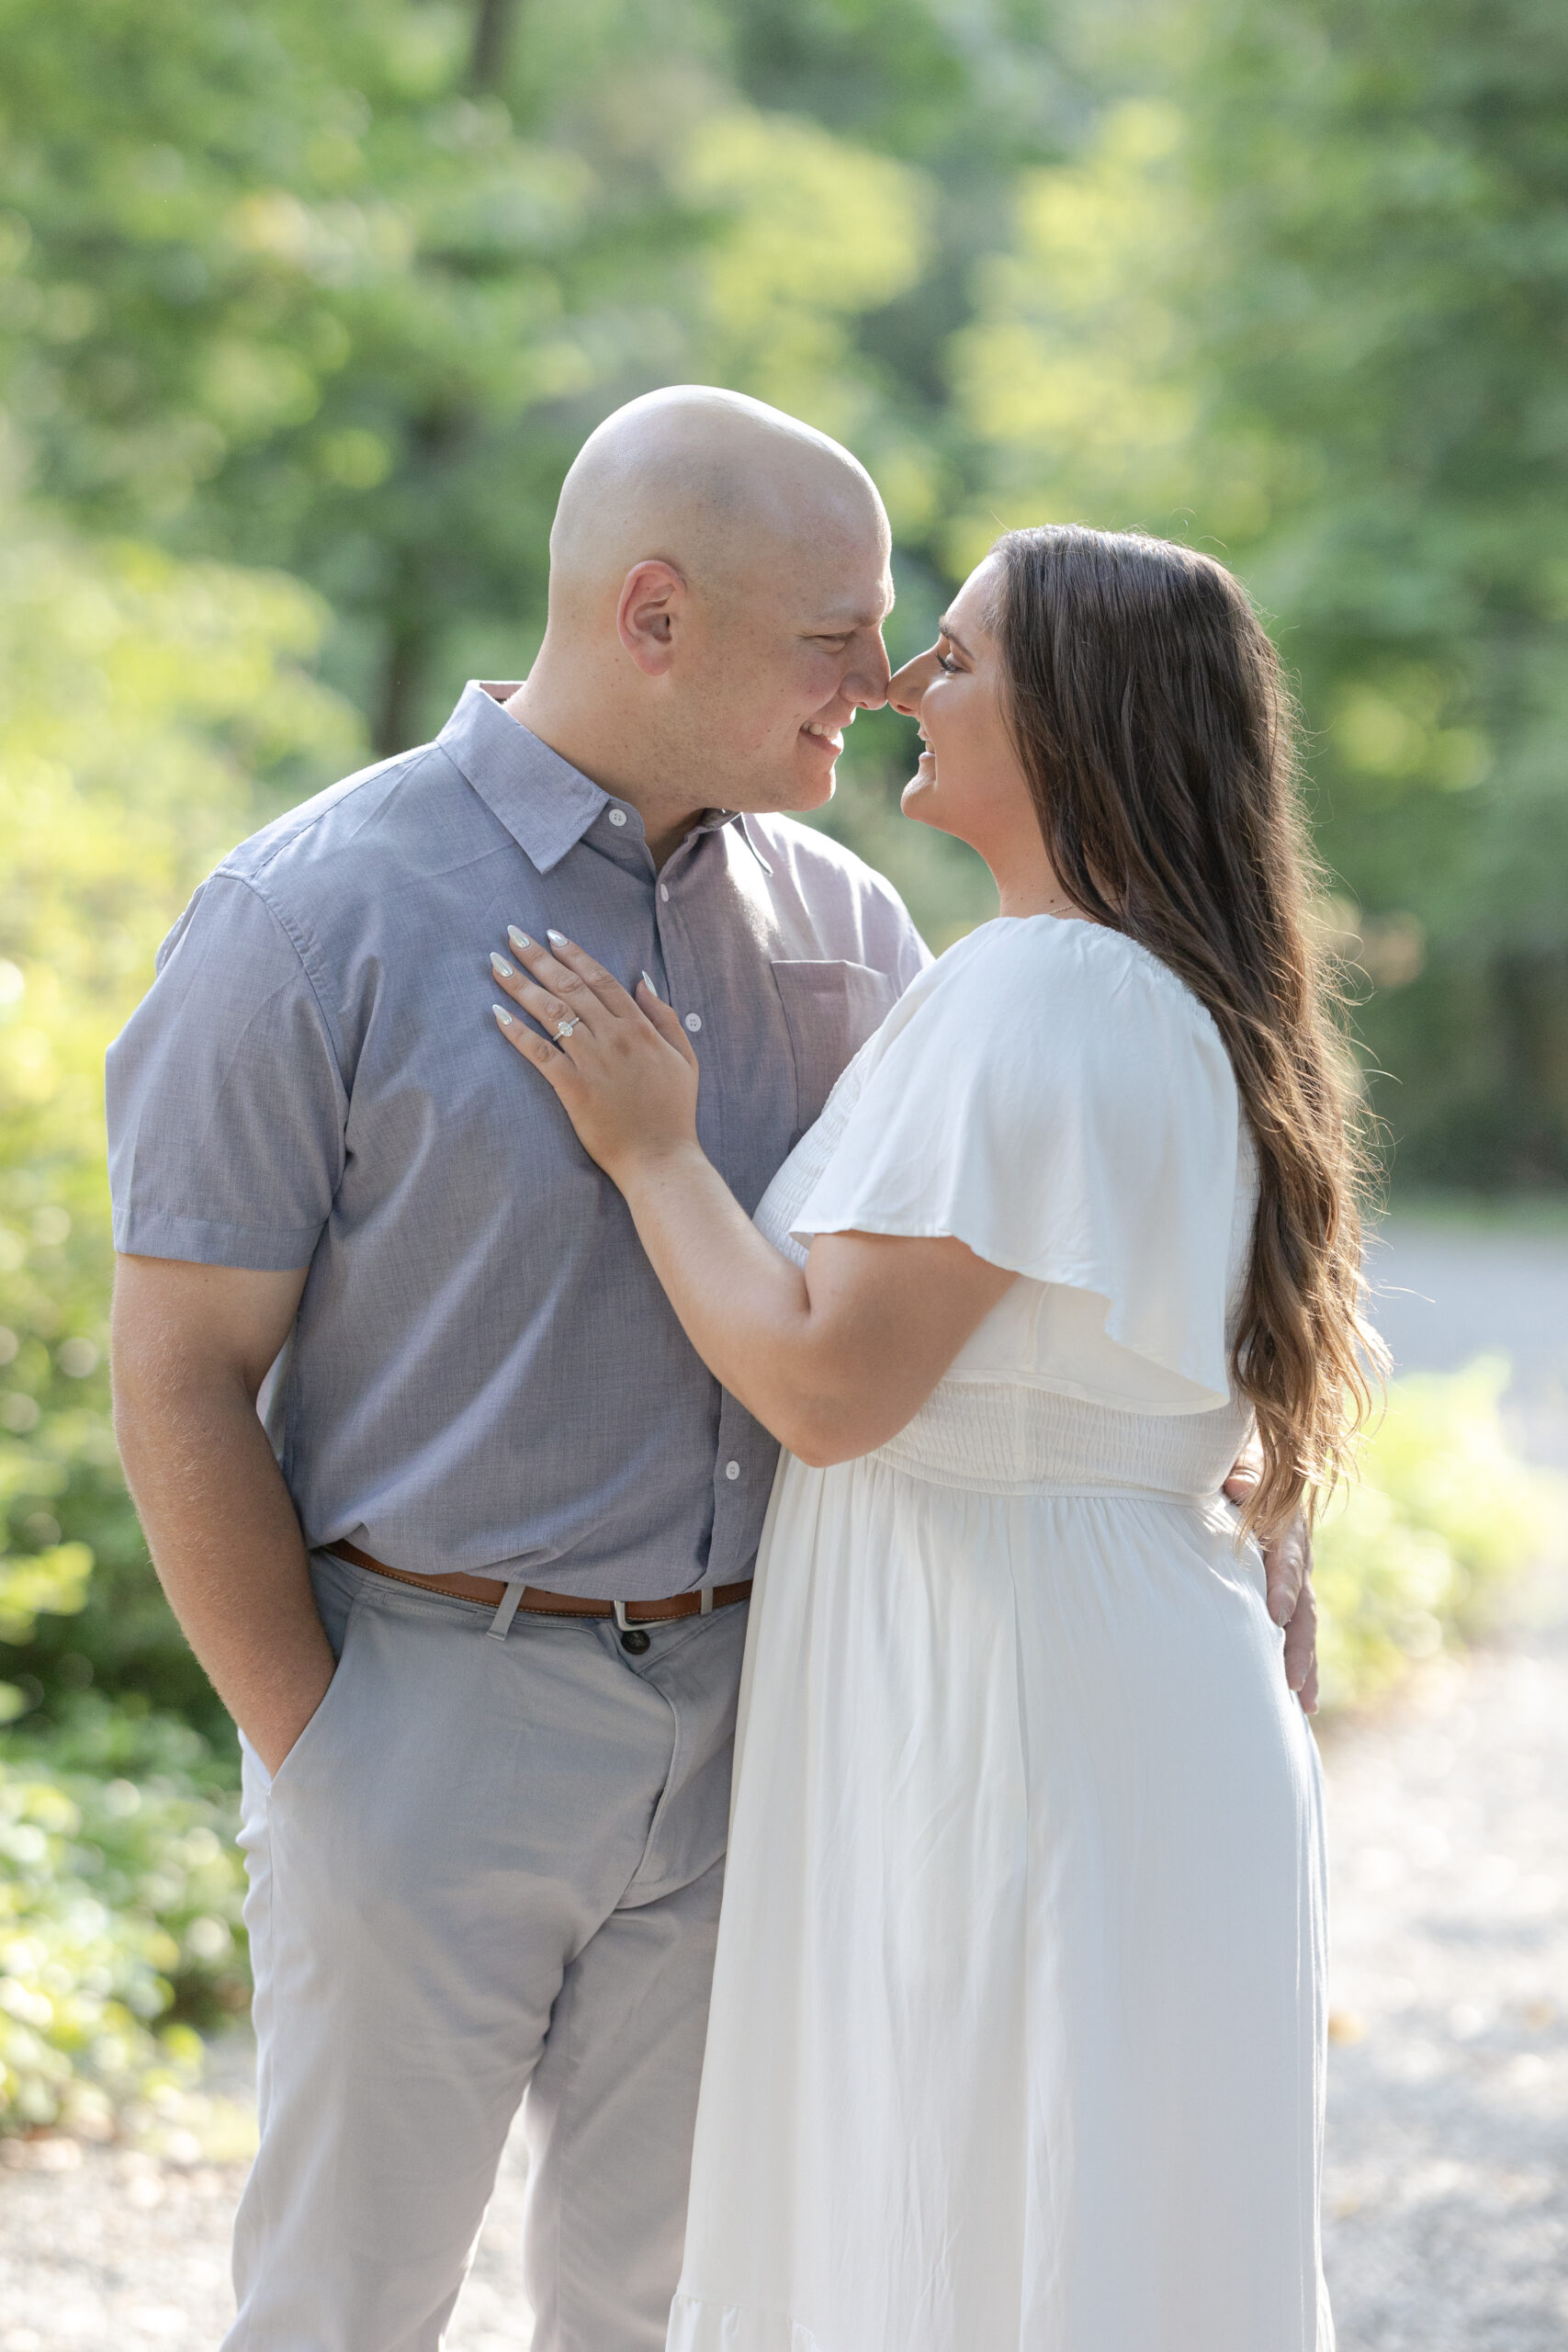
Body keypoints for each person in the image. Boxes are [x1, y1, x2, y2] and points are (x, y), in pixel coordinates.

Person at [107, 379, 1313, 2351]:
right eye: (837, 626)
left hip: (769, 1733)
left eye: (911, 627)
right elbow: (176, 1372)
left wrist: (1235, 1498)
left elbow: (1024, 1276)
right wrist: (325, 1747)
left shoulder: (852, 929)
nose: (887, 668)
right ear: (654, 614)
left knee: (683, 2303)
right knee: (342, 2303)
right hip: (430, 1711)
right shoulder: (305, 915)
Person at [485, 524, 1370, 2351]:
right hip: (1096, 1682)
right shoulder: (1167, 989)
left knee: (984, 2224)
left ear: (1077, 723)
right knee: (1075, 2232)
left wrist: (651, 1148)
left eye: (952, 657)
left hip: (1012, 1708)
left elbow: (826, 1382)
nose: (902, 682)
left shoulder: (1038, 988)